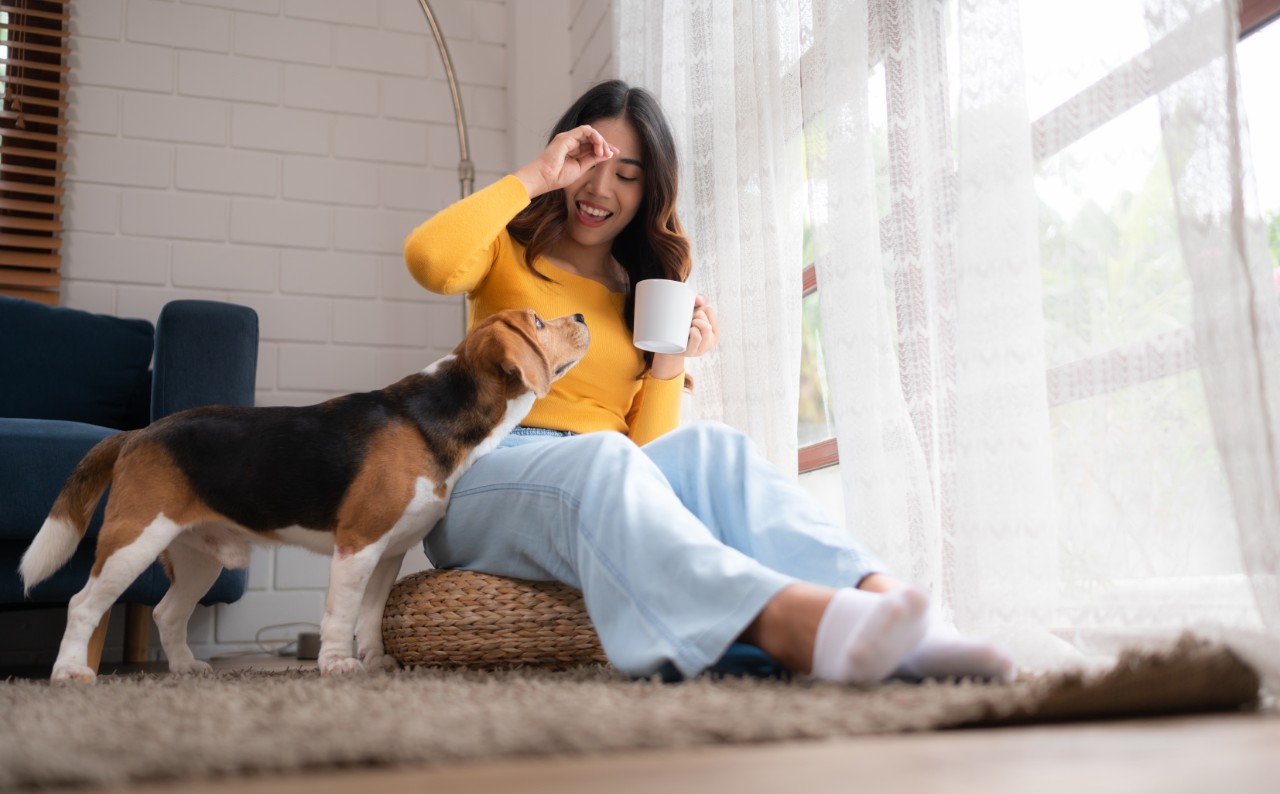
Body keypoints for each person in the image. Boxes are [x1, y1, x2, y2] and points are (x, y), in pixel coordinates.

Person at [403, 79, 1013, 684]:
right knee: (600, 461)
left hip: (599, 471)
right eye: (589, 162)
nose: (599, 187)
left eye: (627, 174)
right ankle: (792, 625)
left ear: (649, 191)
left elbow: (641, 465)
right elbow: (428, 260)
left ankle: (898, 611)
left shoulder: (634, 294)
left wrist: (670, 363)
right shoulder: (505, 250)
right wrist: (536, 175)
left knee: (717, 450)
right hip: (484, 469)